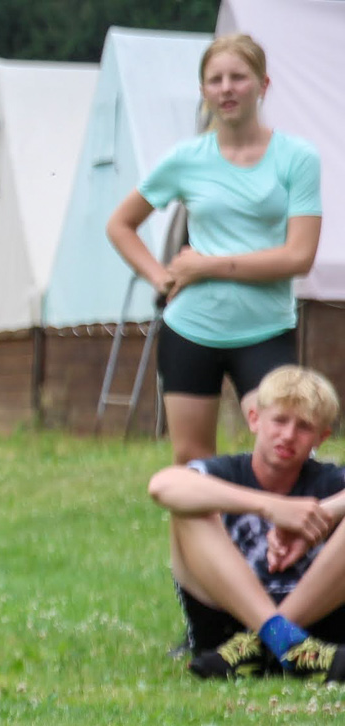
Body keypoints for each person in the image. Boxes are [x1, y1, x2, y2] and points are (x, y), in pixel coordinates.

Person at [107, 33, 322, 467]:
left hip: (266, 331)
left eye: (238, 77)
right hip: (190, 330)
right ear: (203, 90)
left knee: (290, 455)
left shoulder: (297, 158)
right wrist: (161, 279)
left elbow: (298, 257)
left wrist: (206, 266)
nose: (226, 88)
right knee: (192, 464)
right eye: (215, 80)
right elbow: (120, 225)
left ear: (263, 84)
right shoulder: (185, 159)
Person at [149, 365, 345, 680]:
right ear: (254, 419)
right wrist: (272, 508)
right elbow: (162, 486)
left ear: (321, 437)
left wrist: (323, 514)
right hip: (225, 635)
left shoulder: (328, 480)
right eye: (279, 420)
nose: (288, 435)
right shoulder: (226, 472)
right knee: (187, 509)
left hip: (314, 635)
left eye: (304, 426)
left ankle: (268, 642)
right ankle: (285, 642)